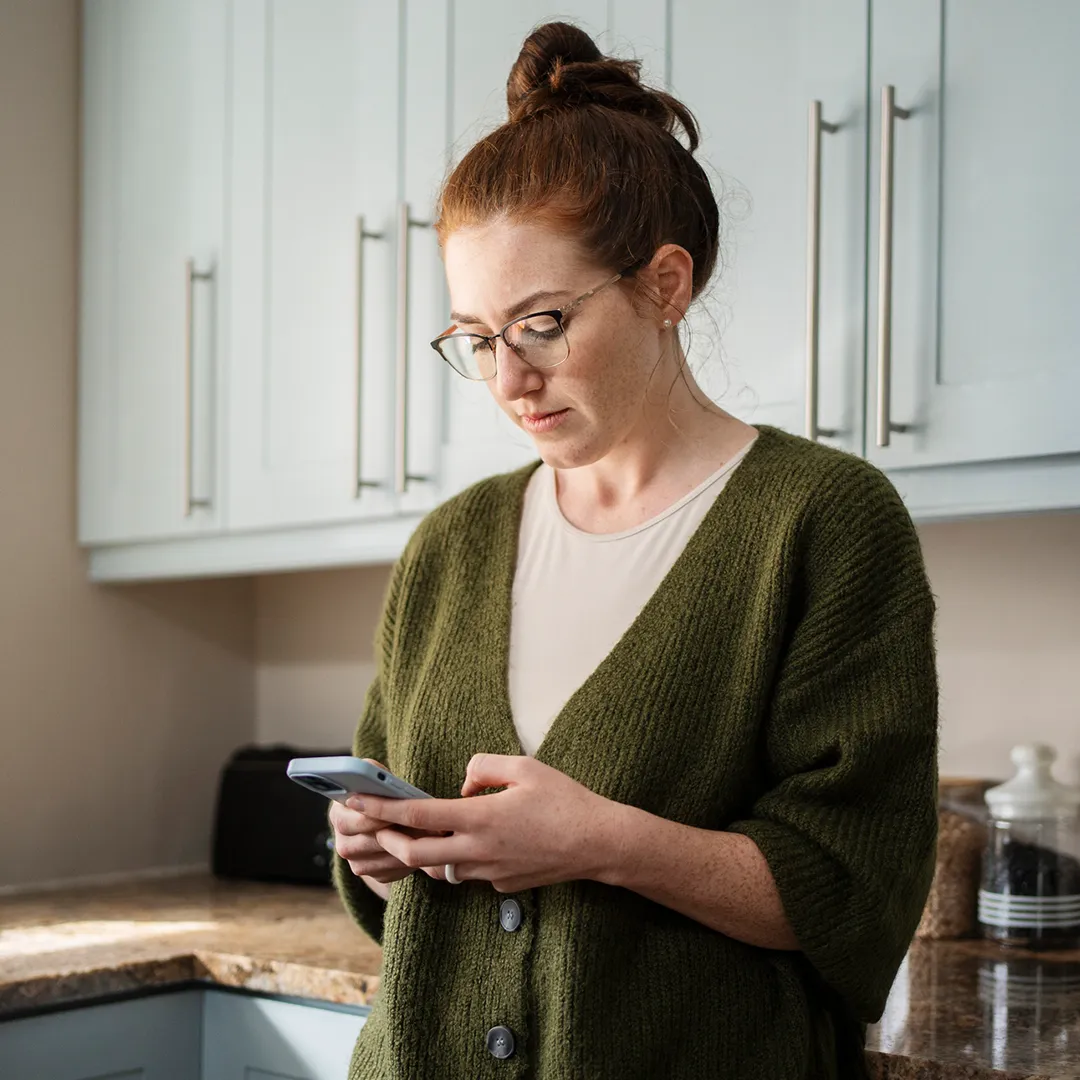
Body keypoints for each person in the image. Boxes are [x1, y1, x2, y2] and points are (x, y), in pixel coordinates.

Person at [329, 21, 938, 1080]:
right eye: (476, 339)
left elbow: (851, 886)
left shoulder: (823, 523)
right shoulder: (449, 547)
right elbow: (418, 907)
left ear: (665, 284)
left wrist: (600, 839)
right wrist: (385, 853)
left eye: (544, 322)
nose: (508, 379)